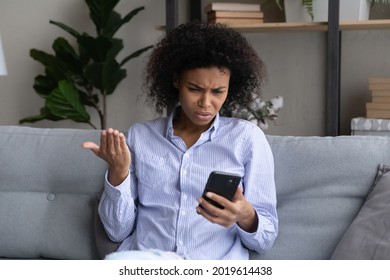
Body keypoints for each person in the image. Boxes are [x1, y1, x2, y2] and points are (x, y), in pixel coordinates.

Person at [82, 22, 278, 260]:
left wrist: (245, 214)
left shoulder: (247, 138)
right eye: (194, 89)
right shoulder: (140, 136)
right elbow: (116, 231)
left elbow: (266, 238)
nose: (206, 103)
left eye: (218, 91)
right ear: (176, 81)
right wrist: (118, 172)